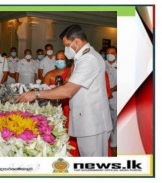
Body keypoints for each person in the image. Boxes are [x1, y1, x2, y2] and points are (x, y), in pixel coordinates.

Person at [17, 24, 113, 157]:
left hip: (91, 124)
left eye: (67, 45)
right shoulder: (86, 57)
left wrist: (36, 94)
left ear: (77, 42)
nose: (66, 49)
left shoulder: (88, 59)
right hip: (90, 121)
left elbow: (68, 90)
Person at [42, 51, 81, 157]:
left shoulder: (73, 72)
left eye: (62, 59)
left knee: (70, 129)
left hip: (69, 105)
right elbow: (44, 93)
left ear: (66, 60)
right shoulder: (49, 74)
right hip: (54, 108)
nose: (59, 61)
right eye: (57, 59)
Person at [105, 46, 117, 156]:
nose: (110, 55)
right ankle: (107, 142)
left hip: (116, 97)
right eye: (108, 53)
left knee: (115, 121)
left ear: (116, 54)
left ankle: (114, 144)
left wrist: (111, 90)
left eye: (112, 53)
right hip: (104, 97)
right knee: (106, 120)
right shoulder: (103, 64)